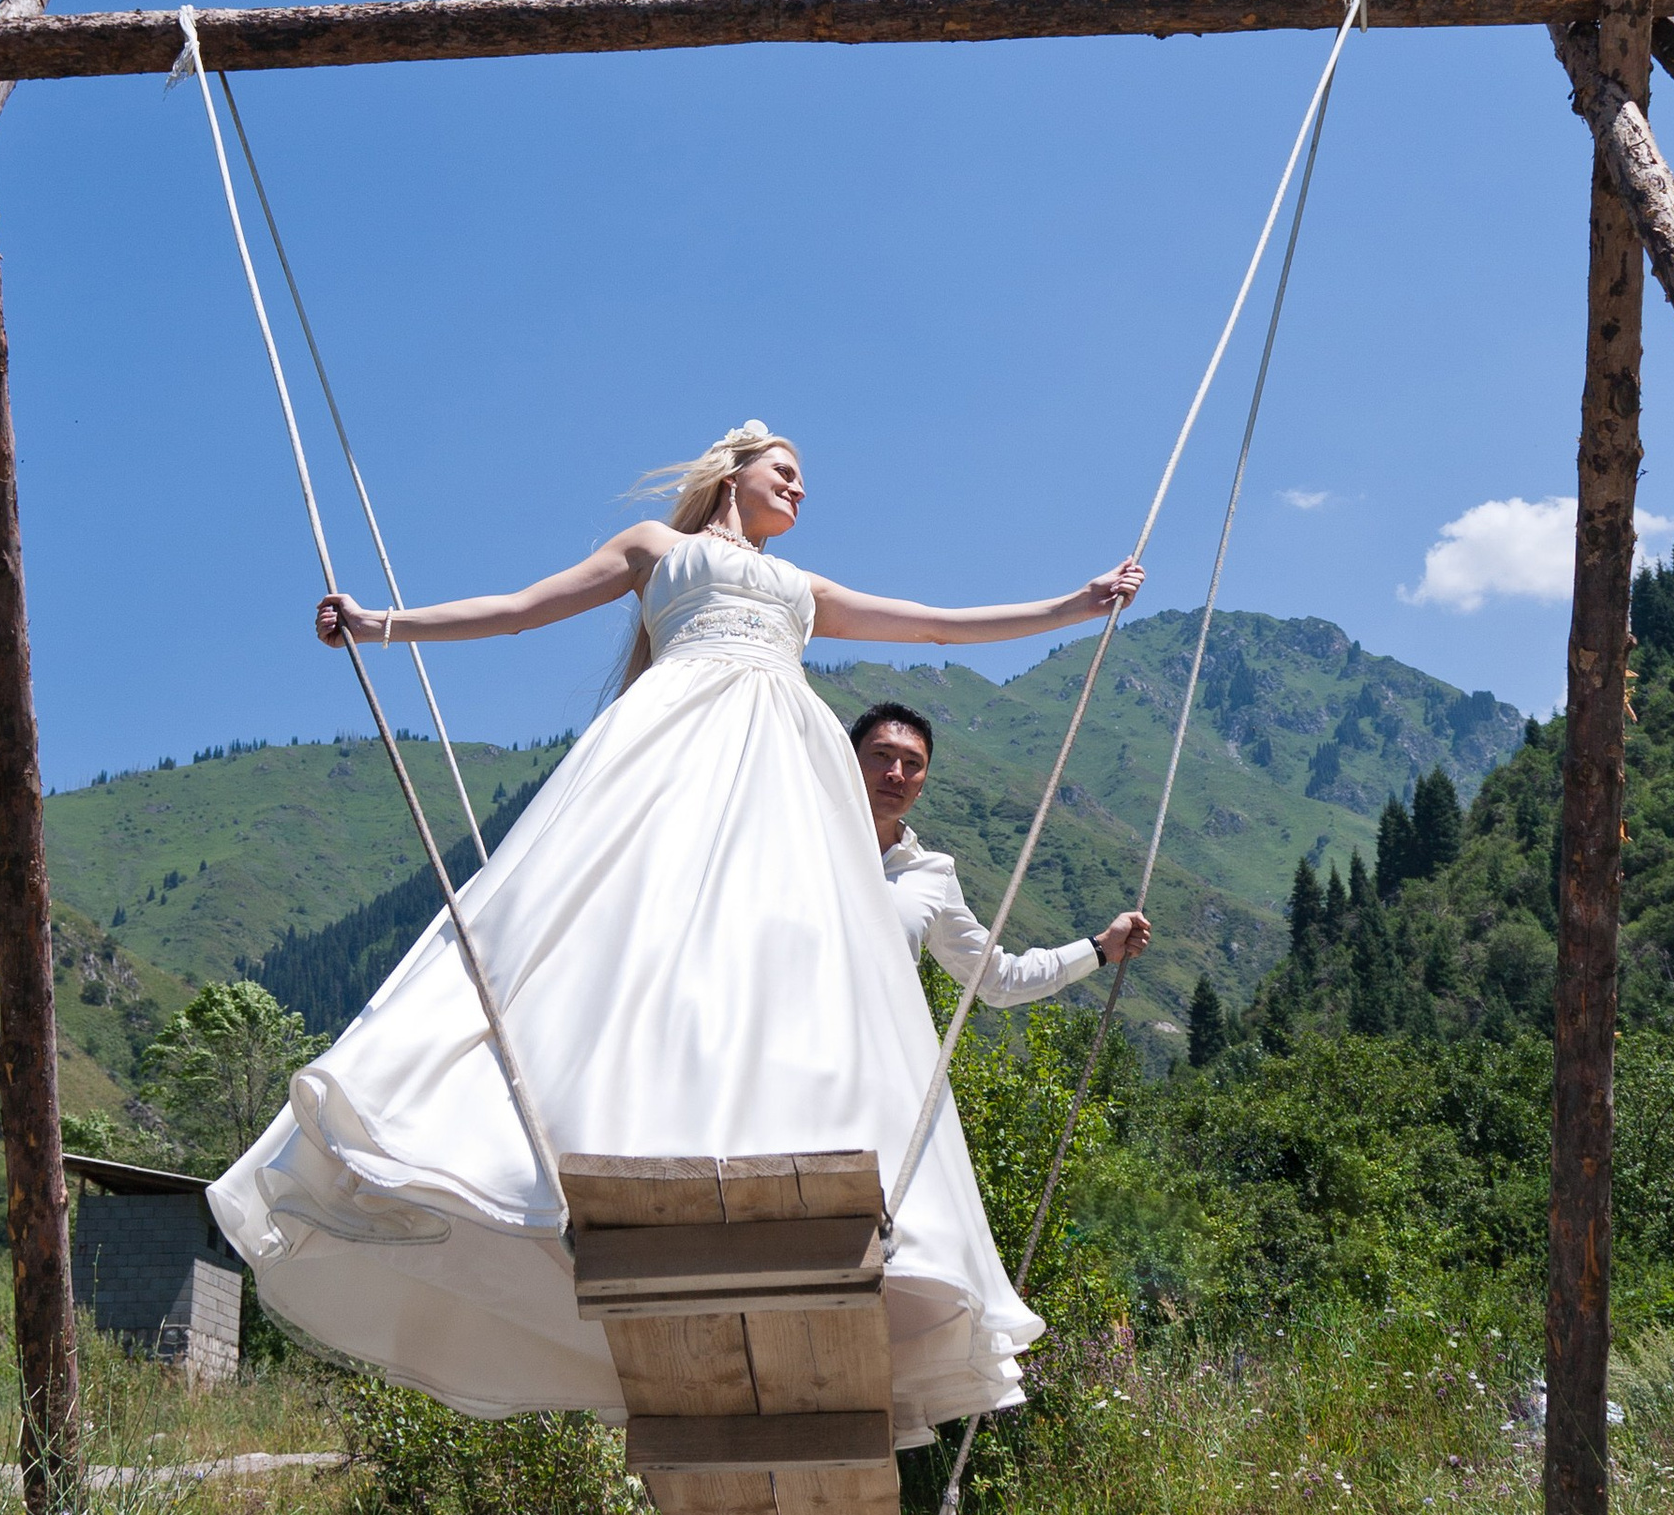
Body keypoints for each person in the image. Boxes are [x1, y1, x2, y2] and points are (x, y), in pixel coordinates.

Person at [206, 421, 1143, 1443]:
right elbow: (523, 610)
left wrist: (1074, 605)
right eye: (783, 467)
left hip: (784, 772)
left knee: (787, 961)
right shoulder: (659, 550)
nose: (798, 485)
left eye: (804, 479)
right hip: (672, 753)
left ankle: (779, 1159)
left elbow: (933, 626)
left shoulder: (802, 589)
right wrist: (381, 625)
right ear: (732, 471)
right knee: (638, 930)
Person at [851, 701, 1151, 1003]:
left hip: (877, 1049)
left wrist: (1100, 948)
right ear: (847, 761)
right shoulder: (804, 841)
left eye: (913, 763)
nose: (896, 773)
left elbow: (998, 980)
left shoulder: (932, 875)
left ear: (922, 785)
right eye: (882, 755)